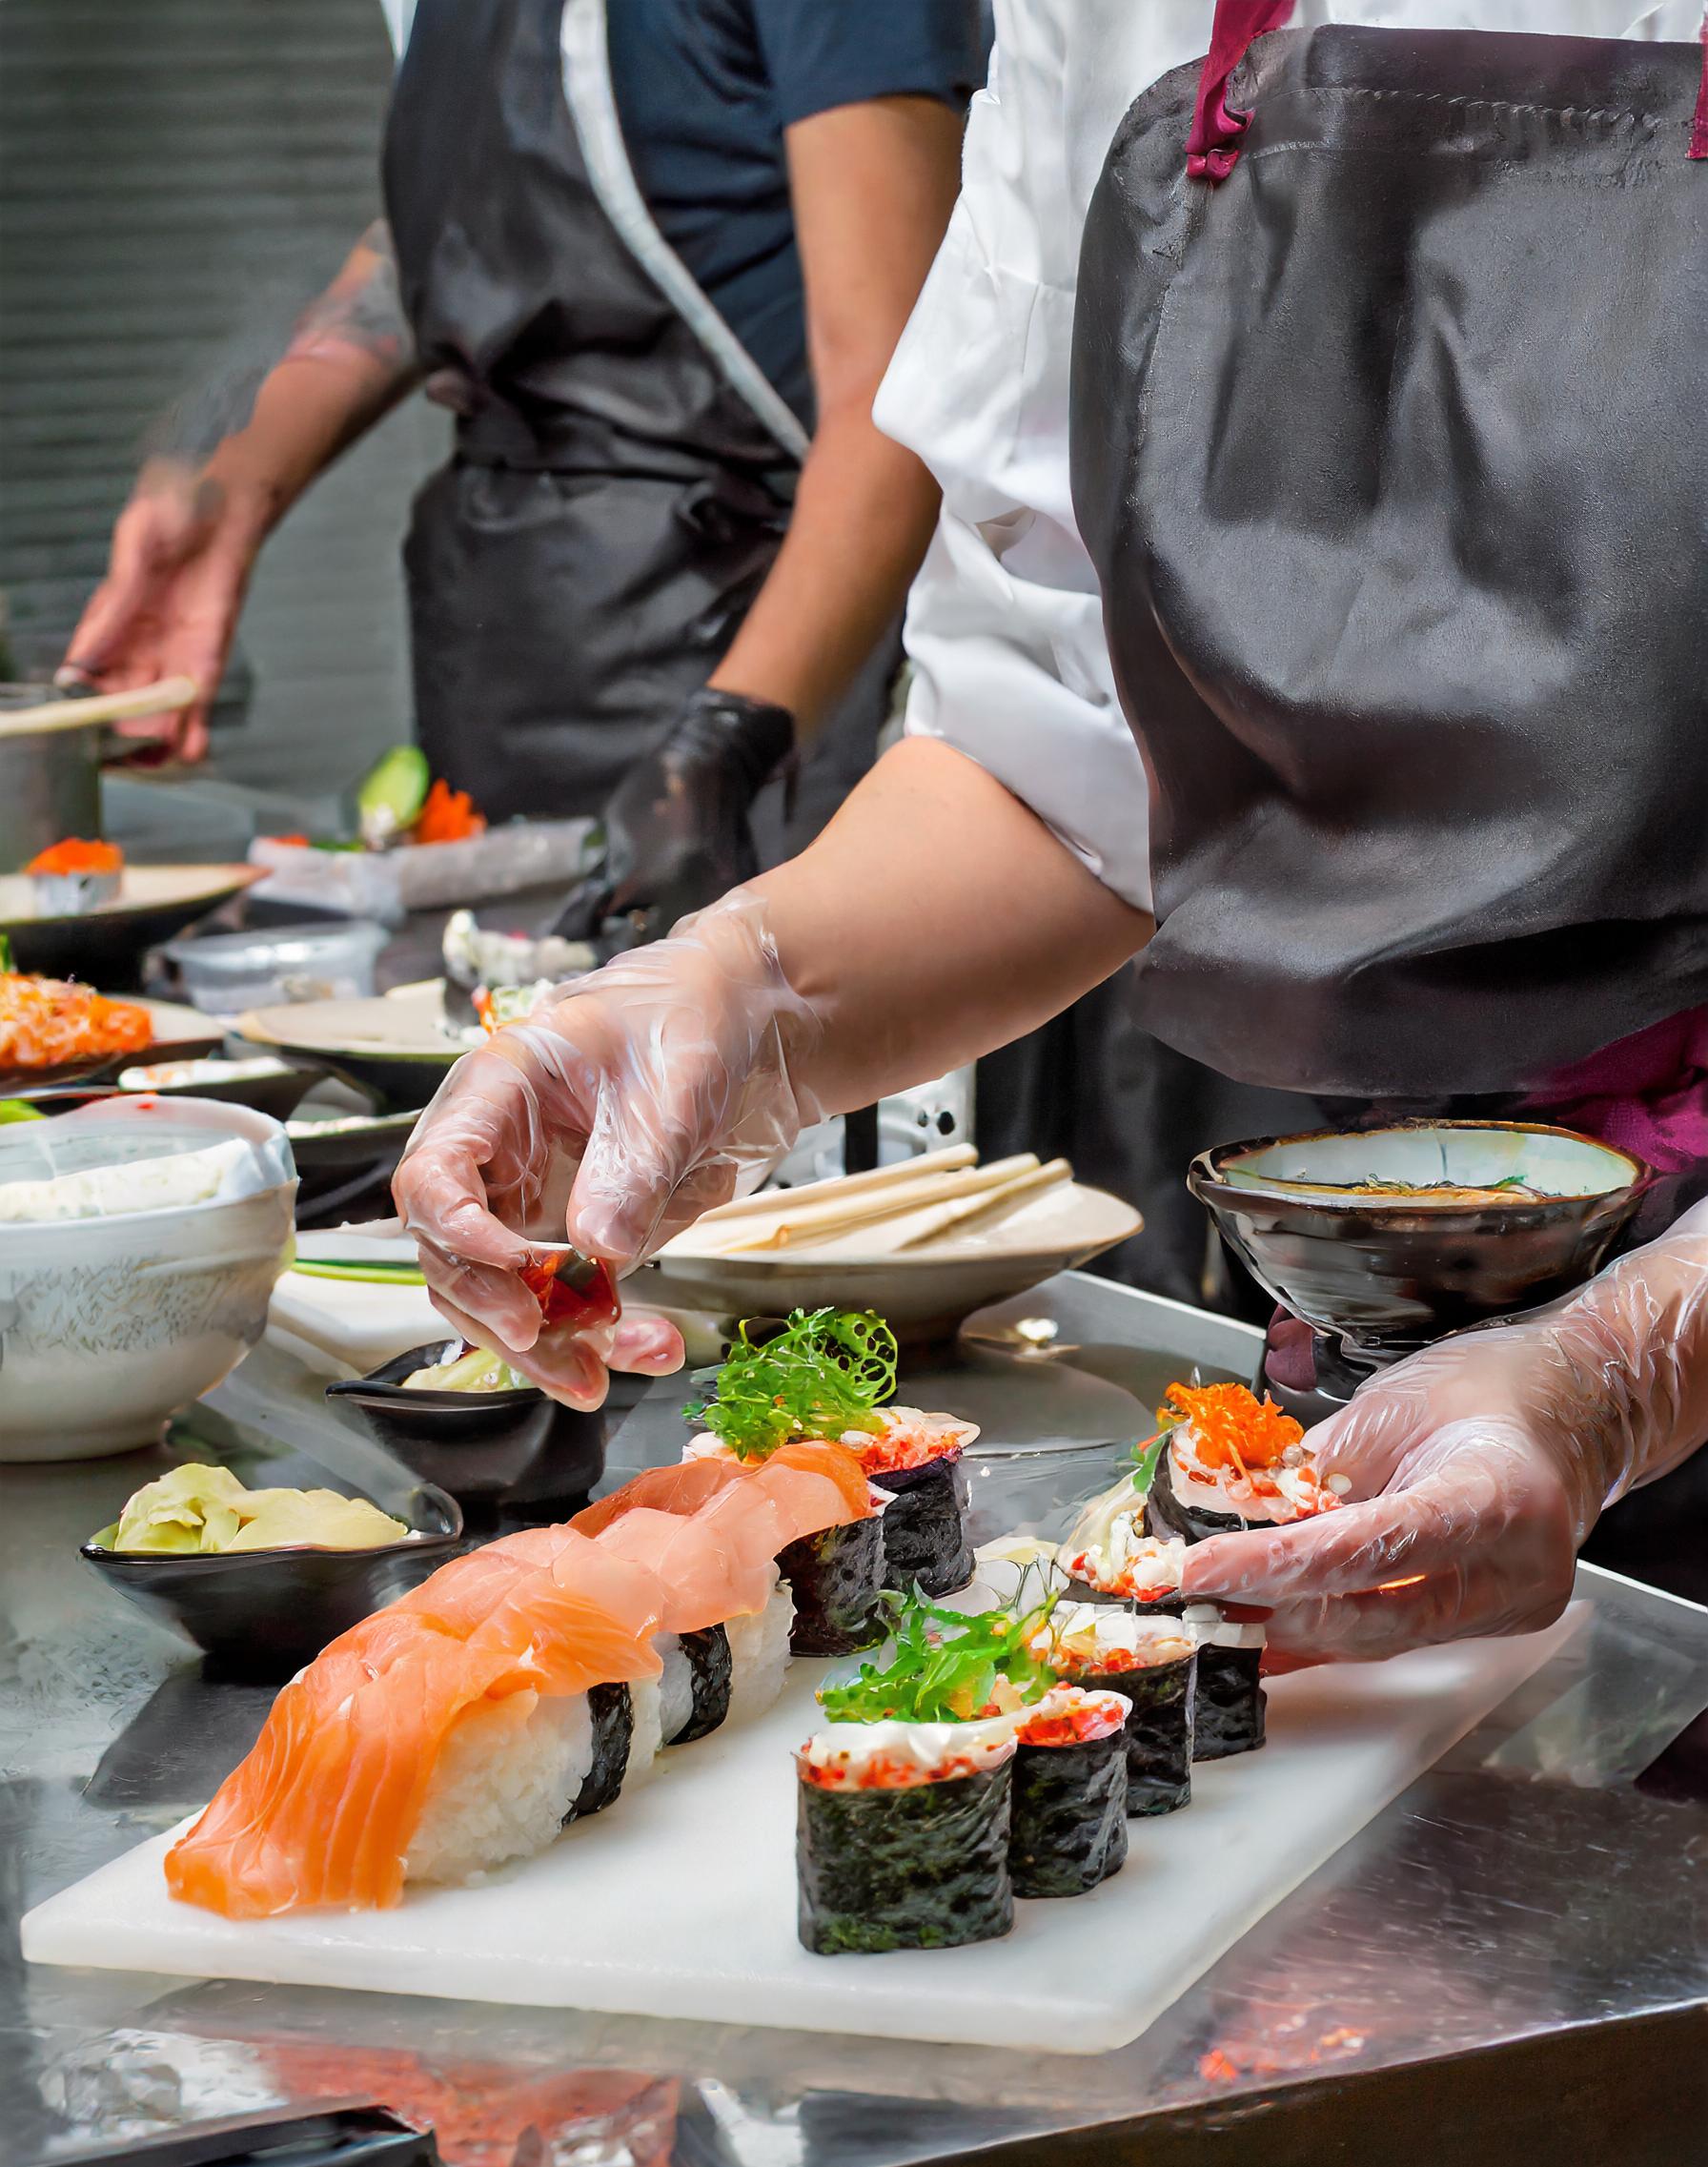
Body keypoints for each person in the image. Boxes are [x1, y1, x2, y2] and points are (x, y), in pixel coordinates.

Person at [395, 0, 1708, 1657]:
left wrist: (1628, 1368)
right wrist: (738, 992)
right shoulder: (1112, 20)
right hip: (1409, 1327)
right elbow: (1063, 761)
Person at [59, 0, 982, 942]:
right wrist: (228, 490)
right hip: (500, 659)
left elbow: (898, 404)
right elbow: (471, 238)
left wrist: (724, 746)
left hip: (776, 690)